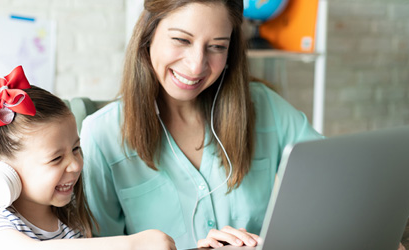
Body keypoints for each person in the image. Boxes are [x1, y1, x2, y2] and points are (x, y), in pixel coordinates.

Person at [79, 0, 324, 249]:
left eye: (217, 46)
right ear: (149, 34)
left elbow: (336, 189)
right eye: (182, 40)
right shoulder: (101, 135)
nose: (196, 66)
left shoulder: (265, 106)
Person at [0, 66, 176, 250]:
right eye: (56, 158)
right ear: (3, 172)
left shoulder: (69, 226)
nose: (75, 164)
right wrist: (131, 245)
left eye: (76, 149)